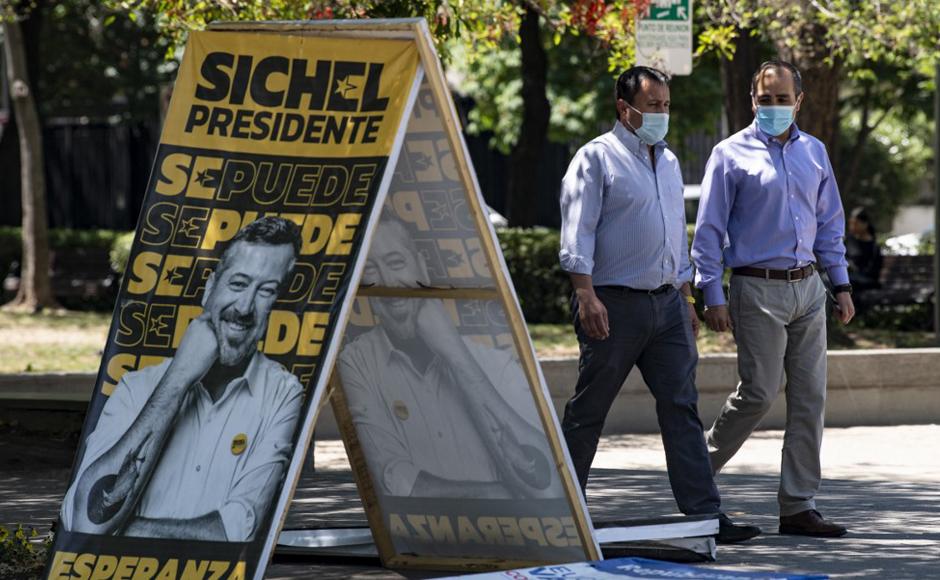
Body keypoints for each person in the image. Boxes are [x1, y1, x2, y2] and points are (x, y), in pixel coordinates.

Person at [558, 65, 759, 543]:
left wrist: (687, 297)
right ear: (624, 108)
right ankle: (561, 510)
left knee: (682, 409)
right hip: (612, 304)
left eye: (666, 105)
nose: (661, 114)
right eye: (653, 106)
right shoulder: (596, 159)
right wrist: (585, 293)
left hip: (668, 306)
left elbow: (675, 235)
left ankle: (706, 516)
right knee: (589, 411)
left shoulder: (668, 163)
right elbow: (576, 231)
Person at [61, 216, 304, 541]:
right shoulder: (137, 388)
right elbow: (88, 523)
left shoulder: (283, 394)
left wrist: (128, 531)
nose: (245, 307)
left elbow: (238, 530)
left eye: (266, 291)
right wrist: (177, 381)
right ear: (208, 290)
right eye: (238, 284)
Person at [692, 60, 855, 538]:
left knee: (810, 398)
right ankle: (696, 480)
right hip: (755, 286)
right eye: (766, 99)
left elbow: (830, 224)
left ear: (799, 101)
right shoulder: (729, 154)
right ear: (752, 101)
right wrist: (712, 293)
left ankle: (798, 506)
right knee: (758, 392)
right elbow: (708, 232)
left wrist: (840, 284)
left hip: (808, 288)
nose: (774, 106)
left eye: (783, 99)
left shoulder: (815, 153)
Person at [338, 211, 560, 500]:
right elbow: (395, 481)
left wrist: (456, 355)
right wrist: (507, 497)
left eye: (396, 263)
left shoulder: (496, 363)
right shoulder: (357, 363)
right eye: (370, 271)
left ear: (423, 267)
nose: (387, 282)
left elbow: (549, 487)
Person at [845, 207, 882, 292]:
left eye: (856, 223)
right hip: (854, 278)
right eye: (851, 223)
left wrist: (854, 267)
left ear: (865, 224)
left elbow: (872, 270)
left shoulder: (873, 246)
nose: (852, 226)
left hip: (867, 280)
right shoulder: (850, 240)